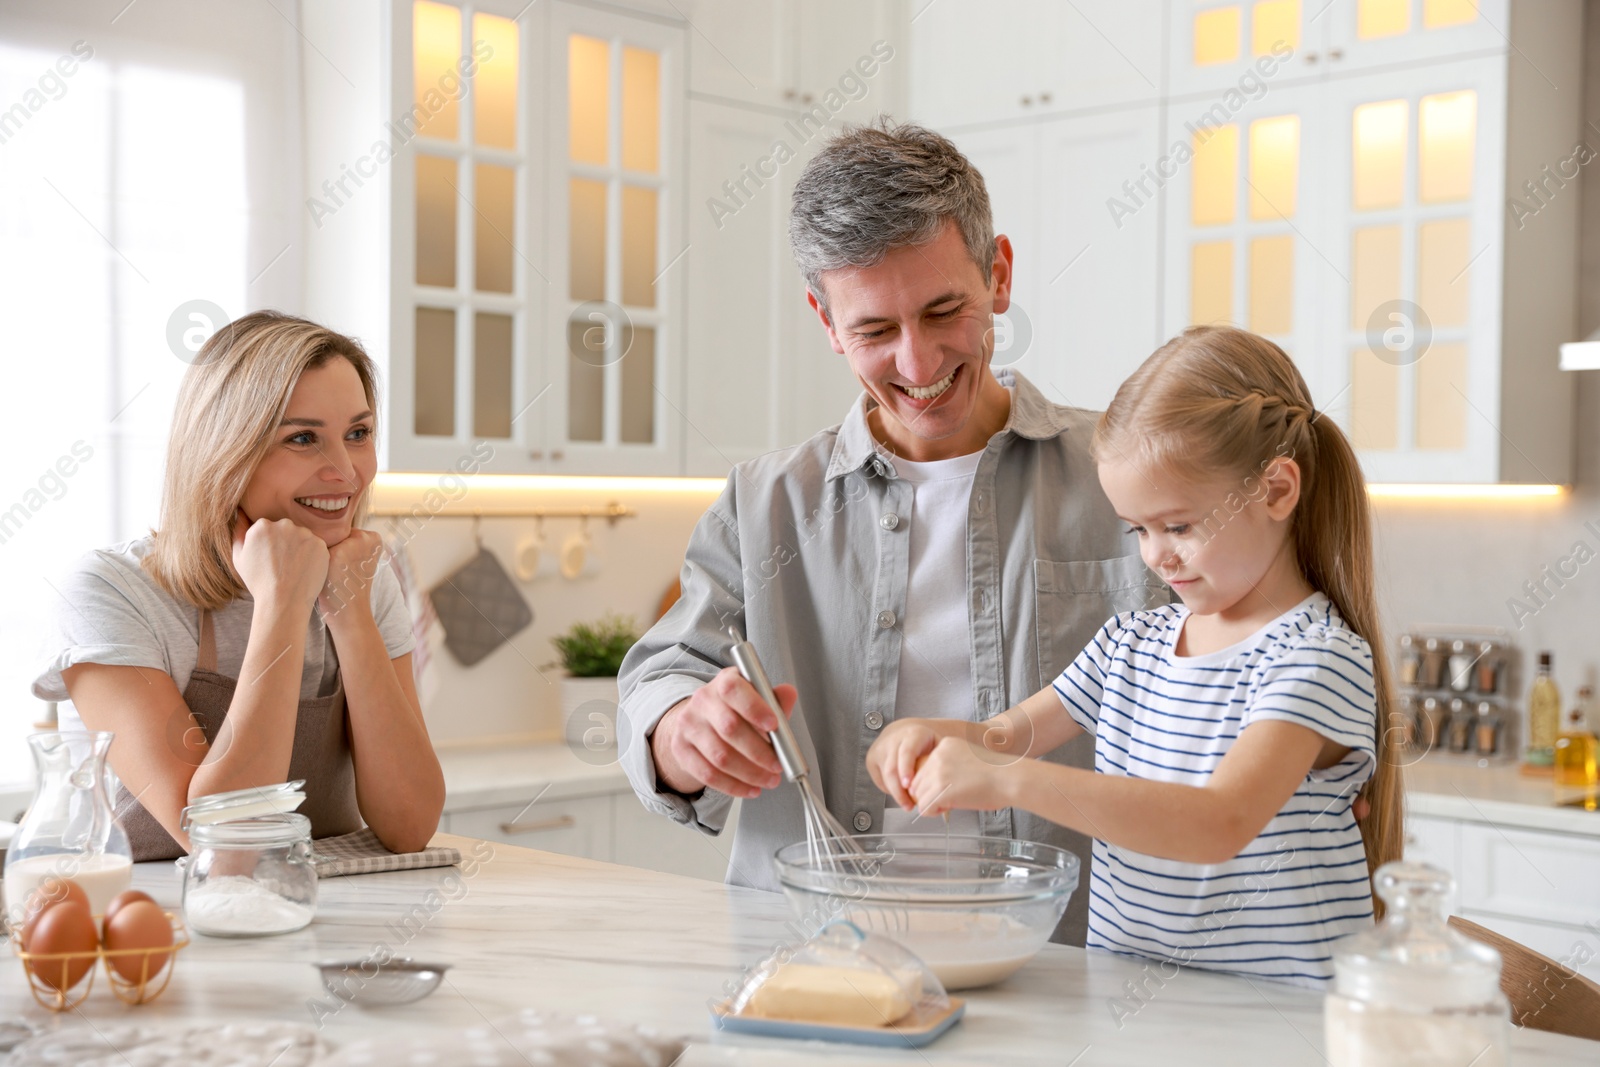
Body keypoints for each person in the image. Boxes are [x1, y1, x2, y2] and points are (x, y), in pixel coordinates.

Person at [616, 120, 1165, 944]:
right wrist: (679, 733)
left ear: (999, 275)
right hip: (816, 961)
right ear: (826, 321)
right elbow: (663, 676)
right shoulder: (766, 503)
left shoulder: (1127, 476)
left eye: (944, 310)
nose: (917, 364)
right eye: (875, 330)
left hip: (1070, 966)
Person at [867, 325, 1404, 987]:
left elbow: (1219, 821)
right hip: (1133, 1009)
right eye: (1138, 529)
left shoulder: (1315, 657)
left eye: (1177, 525)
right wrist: (920, 733)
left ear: (1275, 490)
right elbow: (1006, 735)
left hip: (1282, 1026)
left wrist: (1006, 780)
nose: (1155, 555)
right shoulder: (1131, 643)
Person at [34, 311, 445, 859]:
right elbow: (222, 846)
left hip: (325, 911)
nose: (346, 472)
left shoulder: (362, 575)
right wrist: (281, 603)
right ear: (225, 452)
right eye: (303, 438)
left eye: (358, 433)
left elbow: (409, 825)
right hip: (157, 919)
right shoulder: (109, 592)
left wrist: (349, 611)